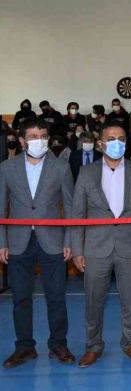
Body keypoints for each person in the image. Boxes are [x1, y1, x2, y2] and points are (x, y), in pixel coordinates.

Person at [71, 121, 131, 367]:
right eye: (111, 139)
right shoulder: (86, 173)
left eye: (121, 139)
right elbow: (77, 214)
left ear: (127, 143)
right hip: (95, 248)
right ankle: (93, 346)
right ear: (100, 144)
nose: (116, 143)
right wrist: (78, 249)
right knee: (93, 301)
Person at [0, 119, 75, 368]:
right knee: (20, 298)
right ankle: (24, 347)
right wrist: (2, 242)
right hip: (17, 242)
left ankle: (58, 345)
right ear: (22, 140)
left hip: (52, 241)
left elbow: (70, 207)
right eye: (33, 136)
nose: (39, 141)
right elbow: (0, 208)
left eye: (43, 136)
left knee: (56, 297)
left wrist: (69, 239)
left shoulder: (61, 167)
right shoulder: (7, 168)